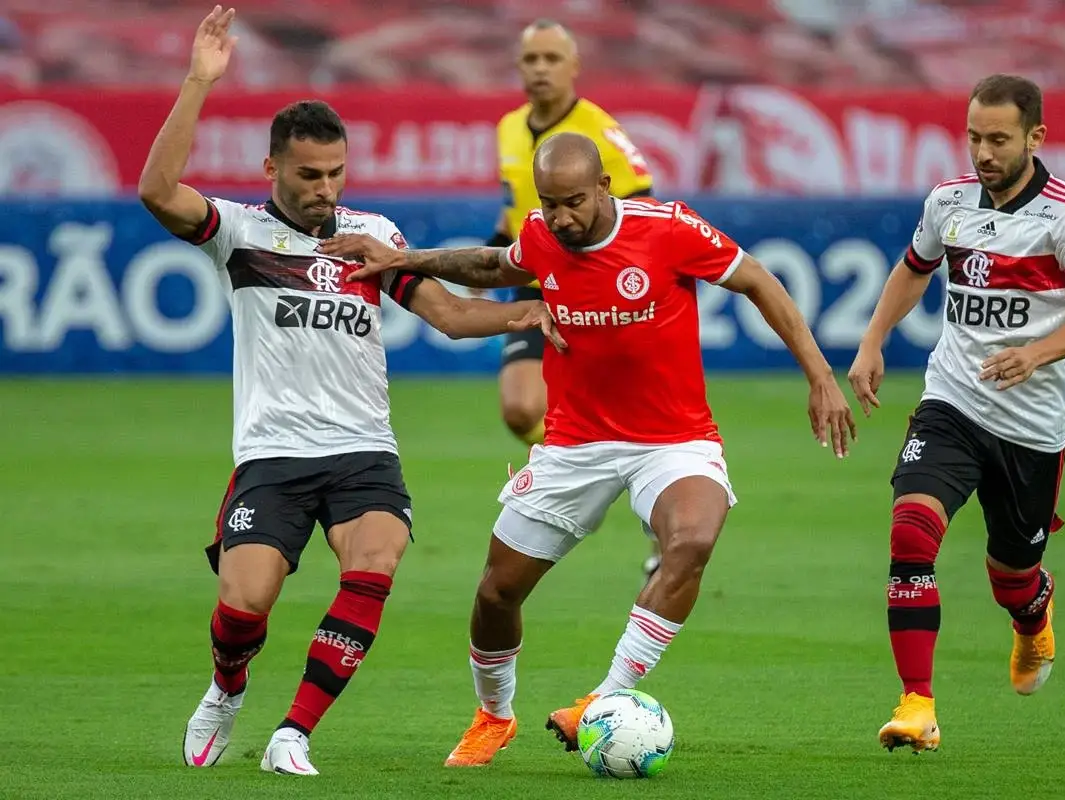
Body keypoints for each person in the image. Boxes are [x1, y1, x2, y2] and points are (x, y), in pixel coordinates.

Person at [318, 131, 858, 767]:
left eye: (573, 201)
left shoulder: (669, 229)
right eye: (549, 204)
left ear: (605, 187)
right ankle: (493, 715)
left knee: (692, 540)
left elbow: (761, 281)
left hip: (672, 438)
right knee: (497, 592)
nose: (561, 218)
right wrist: (408, 260)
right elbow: (496, 267)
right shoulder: (545, 235)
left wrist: (821, 375)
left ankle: (604, 699)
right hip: (574, 441)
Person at [137, 6, 563, 776]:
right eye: (308, 175)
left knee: (377, 562)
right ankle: (227, 688)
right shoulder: (239, 233)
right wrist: (200, 81)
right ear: (273, 170)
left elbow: (452, 318)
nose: (324, 189)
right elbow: (156, 189)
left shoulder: (375, 236)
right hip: (272, 454)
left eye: (336, 173)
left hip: (364, 451)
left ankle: (294, 731)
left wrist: (524, 309)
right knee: (244, 608)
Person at [847, 73, 1065, 754]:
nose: (984, 152)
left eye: (999, 138)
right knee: (911, 532)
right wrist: (873, 340)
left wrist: (1036, 354)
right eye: (974, 136)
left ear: (1036, 137)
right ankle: (917, 705)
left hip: (1030, 429)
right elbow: (914, 266)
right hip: (953, 402)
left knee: (1011, 577)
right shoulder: (950, 202)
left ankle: (1033, 613)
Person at [487, 18, 663, 579]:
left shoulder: (599, 132)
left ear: (573, 66)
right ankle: (595, 467)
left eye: (551, 59)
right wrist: (491, 255)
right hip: (534, 278)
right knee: (519, 409)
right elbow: (513, 207)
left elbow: (644, 210)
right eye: (530, 59)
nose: (539, 69)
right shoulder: (508, 128)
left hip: (594, 286)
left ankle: (648, 505)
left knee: (635, 413)